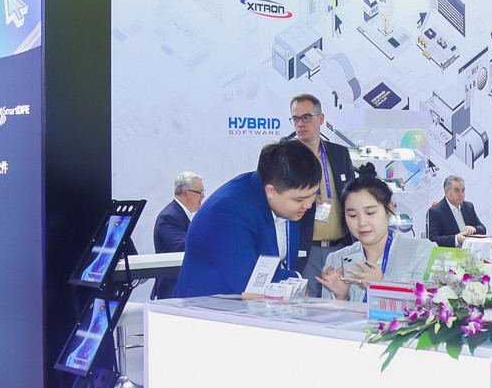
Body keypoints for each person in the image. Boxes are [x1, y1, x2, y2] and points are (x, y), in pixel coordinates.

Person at [174, 142, 321, 298]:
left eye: (314, 195)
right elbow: (248, 282)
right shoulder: (229, 210)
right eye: (300, 199)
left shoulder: (285, 199)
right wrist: (295, 281)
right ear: (271, 191)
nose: (308, 204)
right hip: (208, 306)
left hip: (254, 306)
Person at [317, 164, 433, 302]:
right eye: (353, 215)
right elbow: (328, 314)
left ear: (389, 209)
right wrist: (342, 297)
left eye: (370, 213)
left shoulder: (421, 251)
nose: (362, 222)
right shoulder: (337, 259)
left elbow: (429, 309)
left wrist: (382, 285)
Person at [285, 93, 357, 290]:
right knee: (306, 305)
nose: (300, 123)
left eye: (306, 117)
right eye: (295, 119)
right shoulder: (287, 156)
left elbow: (351, 197)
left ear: (321, 118)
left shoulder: (339, 153)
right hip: (306, 250)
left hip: (340, 248)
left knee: (340, 301)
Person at [150, 171, 203, 299]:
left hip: (187, 287)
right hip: (173, 290)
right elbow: (183, 248)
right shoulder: (169, 217)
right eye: (200, 192)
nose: (203, 197)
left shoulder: (185, 215)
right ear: (185, 193)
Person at [427, 174, 486, 247]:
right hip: (450, 252)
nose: (461, 194)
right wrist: (456, 239)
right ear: (446, 191)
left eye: (463, 190)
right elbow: (433, 239)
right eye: (456, 190)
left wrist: (474, 229)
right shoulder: (435, 211)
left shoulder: (468, 207)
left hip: (471, 250)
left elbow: (483, 229)